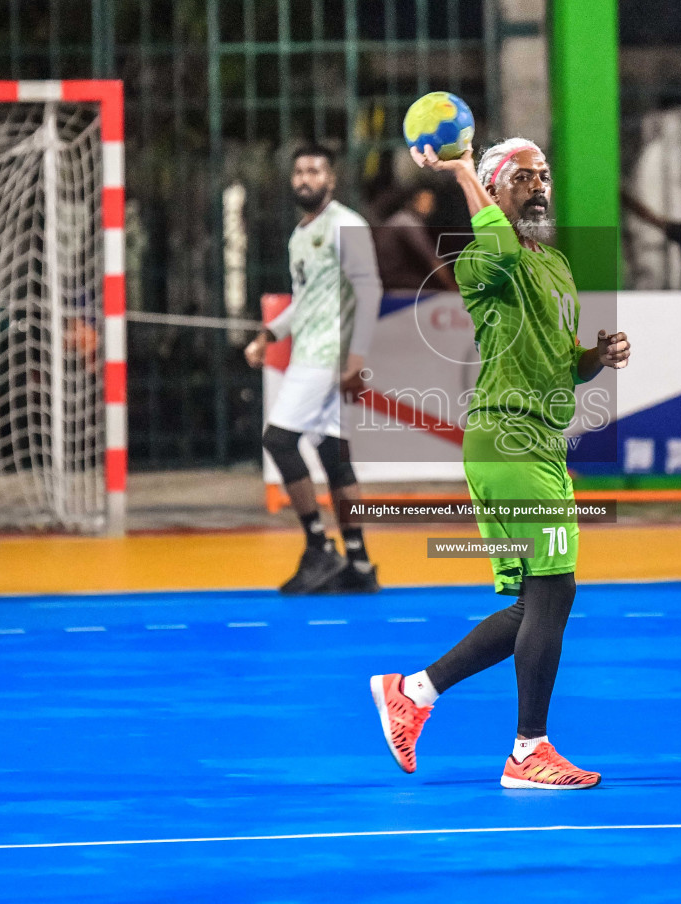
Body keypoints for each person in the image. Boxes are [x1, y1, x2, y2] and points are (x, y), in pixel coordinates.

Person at [369, 137, 631, 789]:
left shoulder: (557, 264)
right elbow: (502, 248)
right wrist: (464, 173)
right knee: (556, 588)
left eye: (543, 175)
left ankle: (414, 691)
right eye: (521, 179)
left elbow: (559, 363)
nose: (539, 186)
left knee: (529, 604)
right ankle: (527, 752)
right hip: (508, 439)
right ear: (493, 190)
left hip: (537, 443)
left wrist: (596, 355)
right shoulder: (482, 256)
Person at [245, 144, 383, 595]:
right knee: (332, 457)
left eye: (315, 171)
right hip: (312, 350)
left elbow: (370, 290)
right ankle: (360, 564)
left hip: (330, 357)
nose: (306, 178)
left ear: (332, 179)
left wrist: (356, 358)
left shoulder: (346, 224)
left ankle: (318, 547)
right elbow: (304, 303)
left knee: (278, 440)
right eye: (299, 172)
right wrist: (269, 334)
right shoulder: (300, 234)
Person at [373, 185, 459, 295]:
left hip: (395, 281)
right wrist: (453, 287)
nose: (429, 206)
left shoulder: (404, 219)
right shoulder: (406, 222)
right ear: (413, 200)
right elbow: (432, 260)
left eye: (431, 202)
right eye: (425, 201)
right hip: (398, 285)